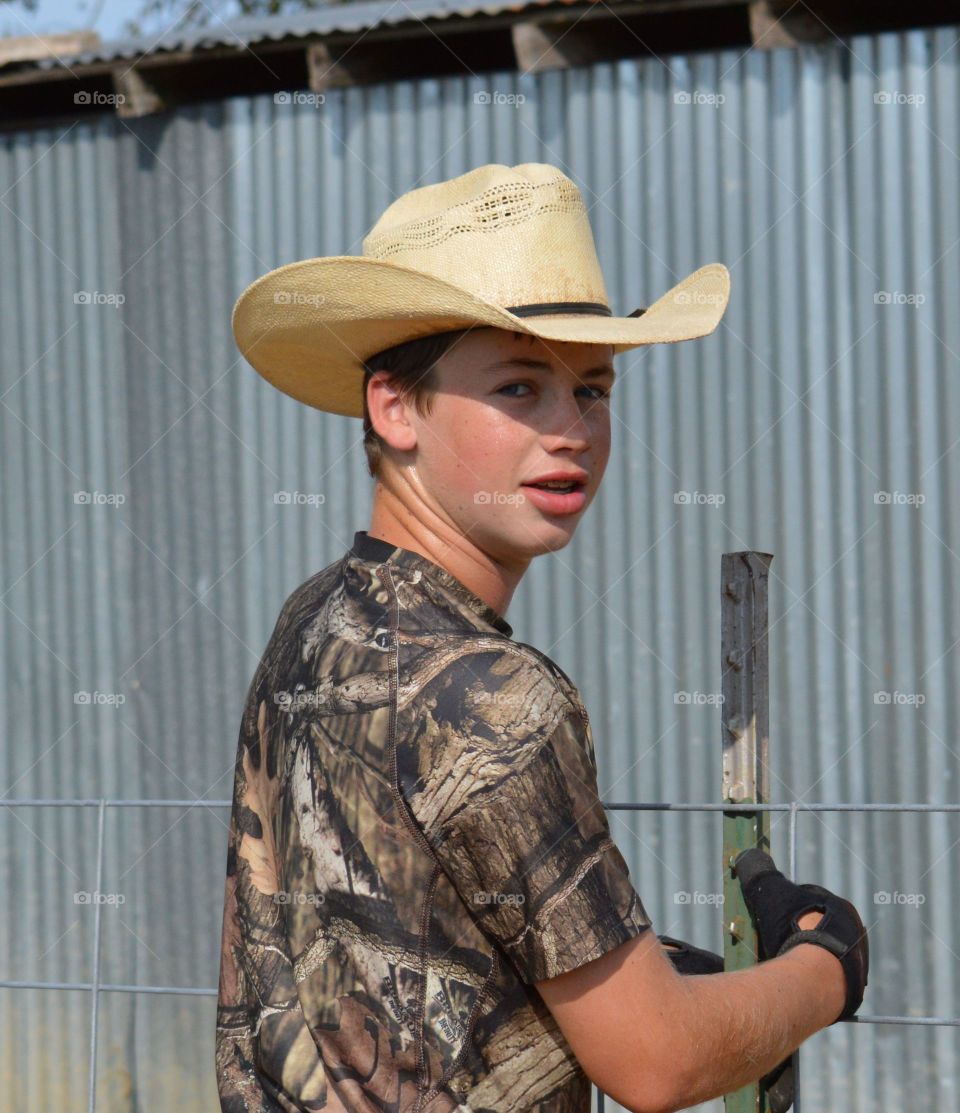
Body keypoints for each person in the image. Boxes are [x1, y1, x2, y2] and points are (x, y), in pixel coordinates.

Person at [216, 163, 868, 1113]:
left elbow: (388, 956)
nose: (571, 430)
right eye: (520, 386)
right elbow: (659, 1064)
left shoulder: (318, 620)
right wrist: (826, 963)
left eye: (593, 390)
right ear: (395, 407)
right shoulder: (494, 695)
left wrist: (658, 964)